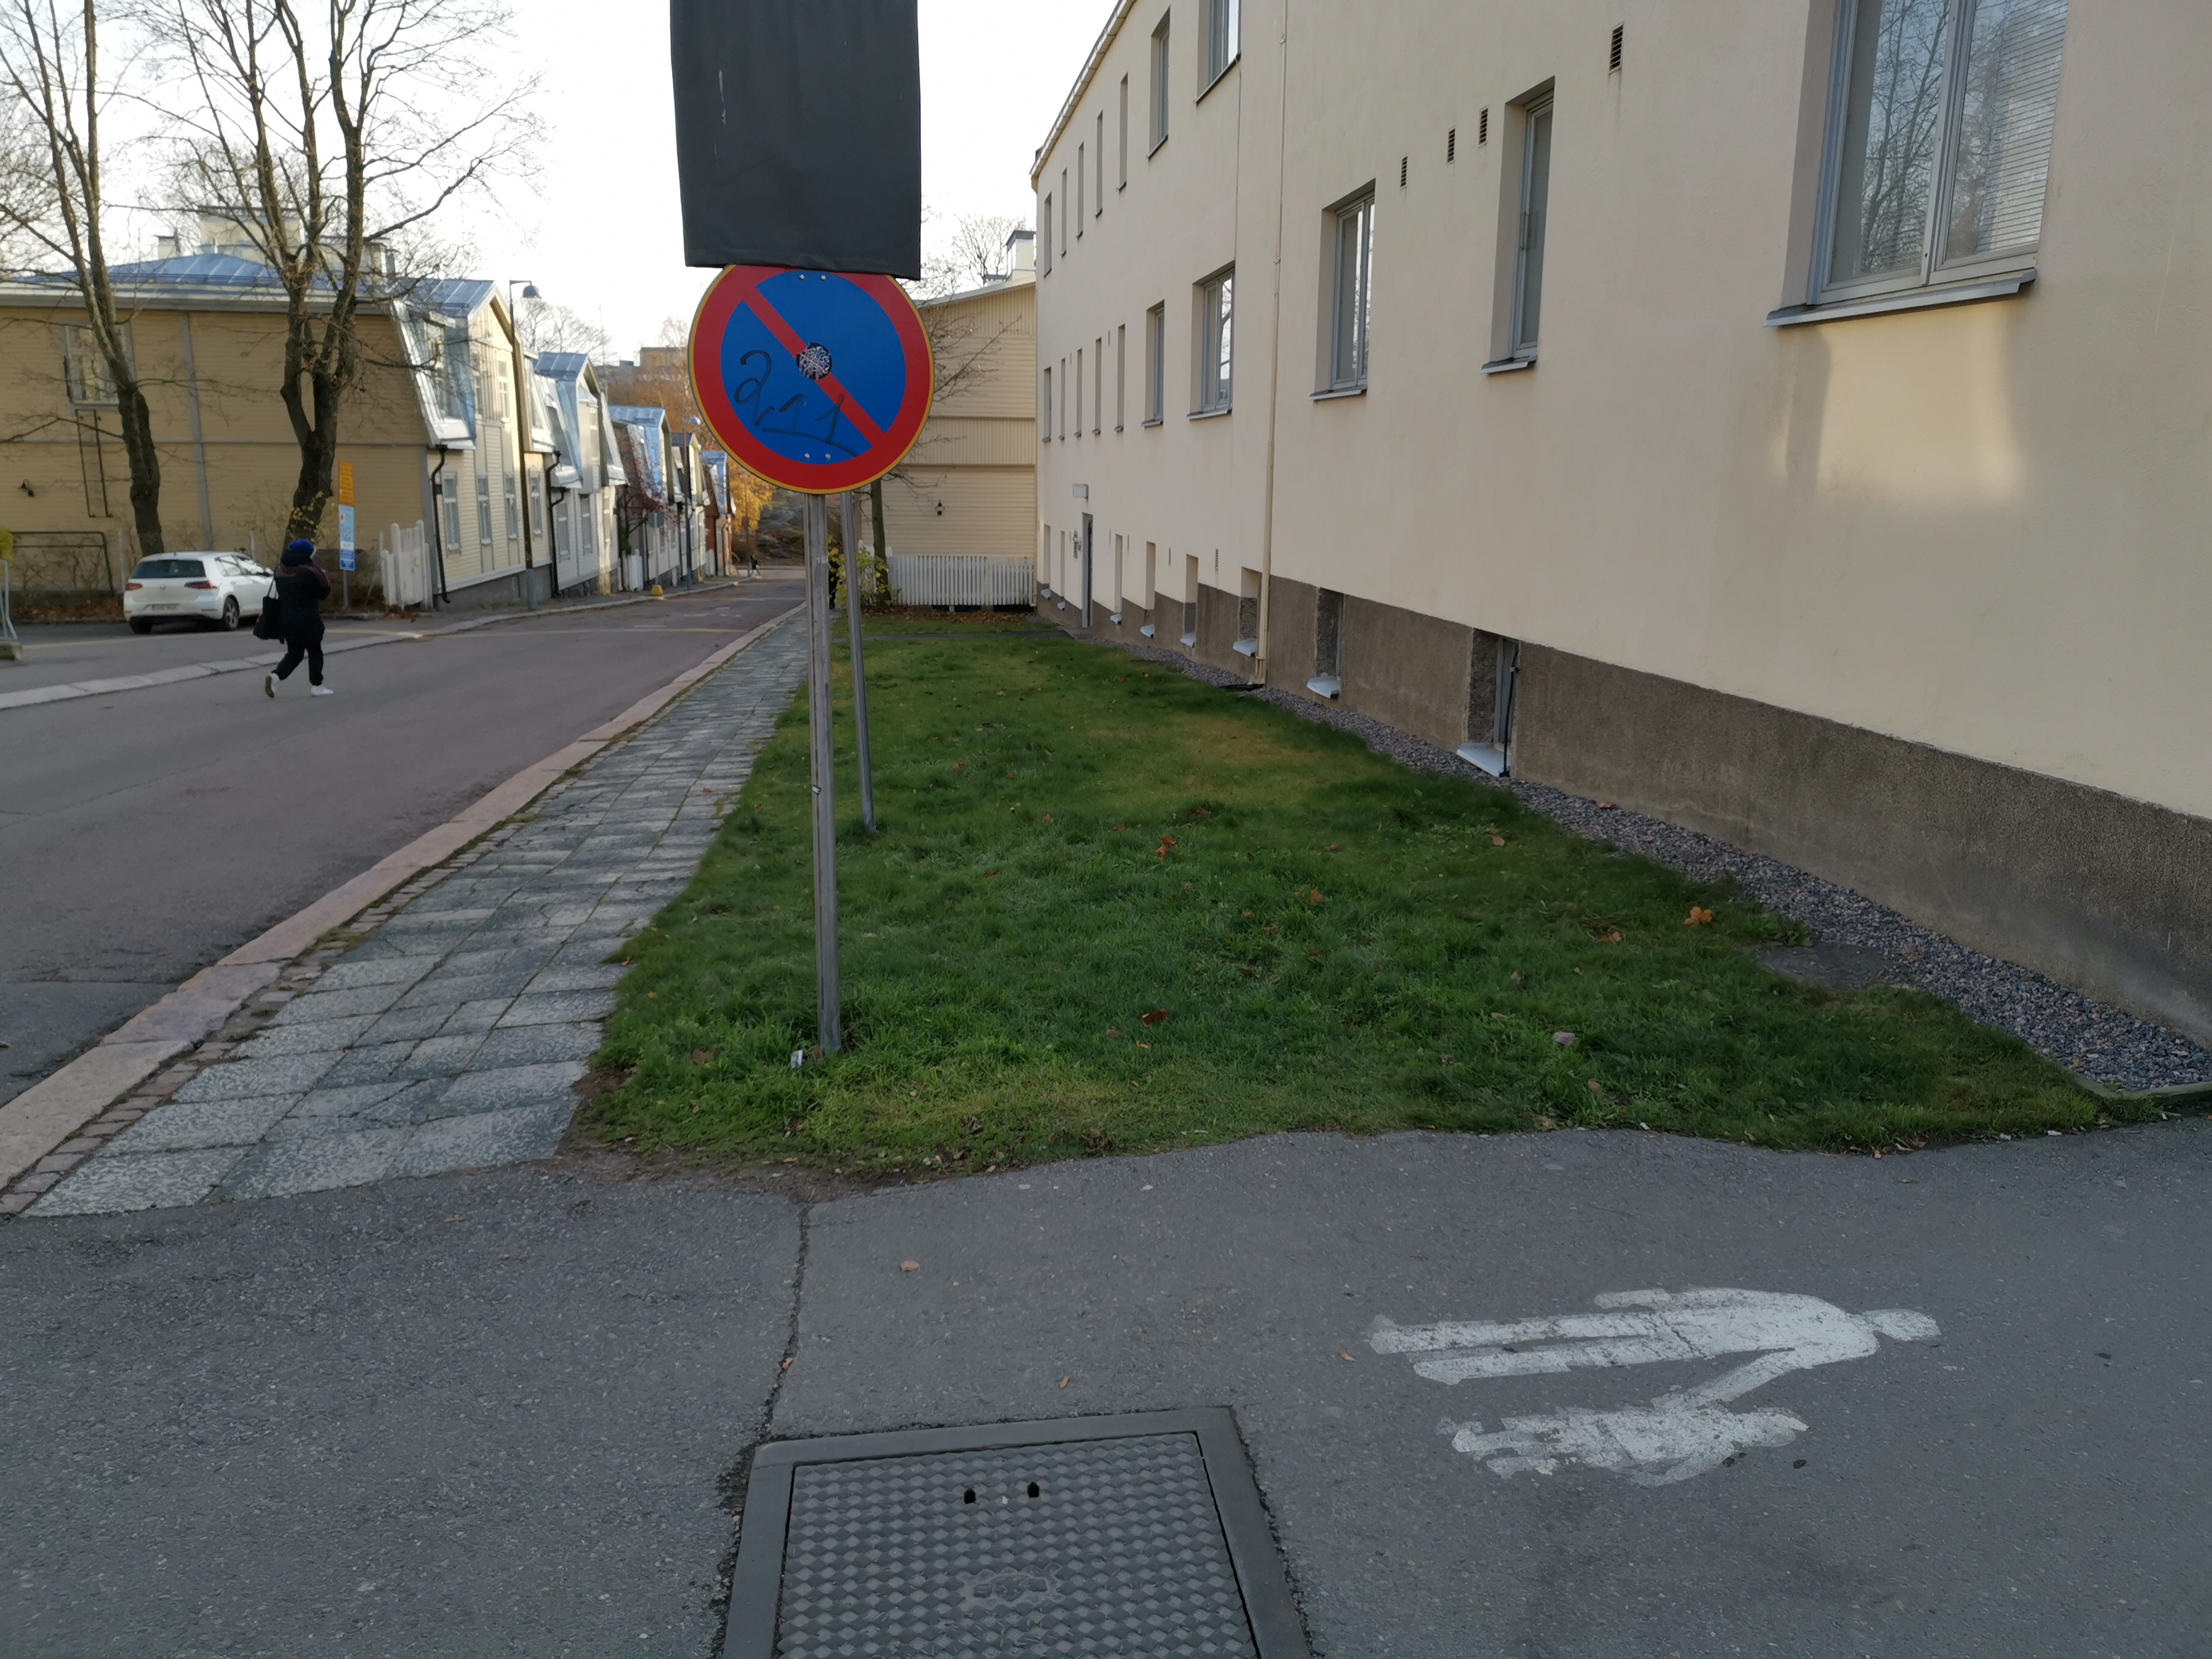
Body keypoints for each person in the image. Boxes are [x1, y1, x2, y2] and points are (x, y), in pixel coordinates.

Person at [263, 540, 333, 697]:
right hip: (308, 619)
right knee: (315, 652)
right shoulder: (310, 573)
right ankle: (317, 686)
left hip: (287, 619)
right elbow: (323, 593)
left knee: (295, 654)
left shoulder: (280, 571)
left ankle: (275, 676)